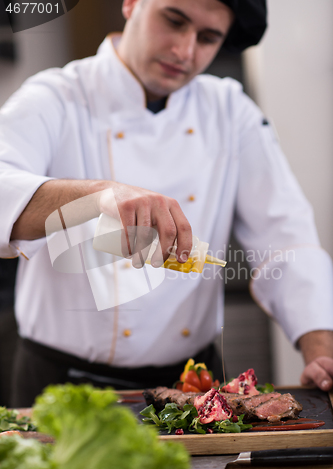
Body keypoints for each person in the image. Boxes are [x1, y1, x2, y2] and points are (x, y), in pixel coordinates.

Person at [0, 0, 332, 407]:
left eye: (208, 38)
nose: (184, 51)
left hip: (191, 383)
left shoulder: (231, 111)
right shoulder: (55, 96)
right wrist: (95, 197)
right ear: (131, 4)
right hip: (63, 382)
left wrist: (322, 348)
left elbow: (286, 238)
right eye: (174, 21)